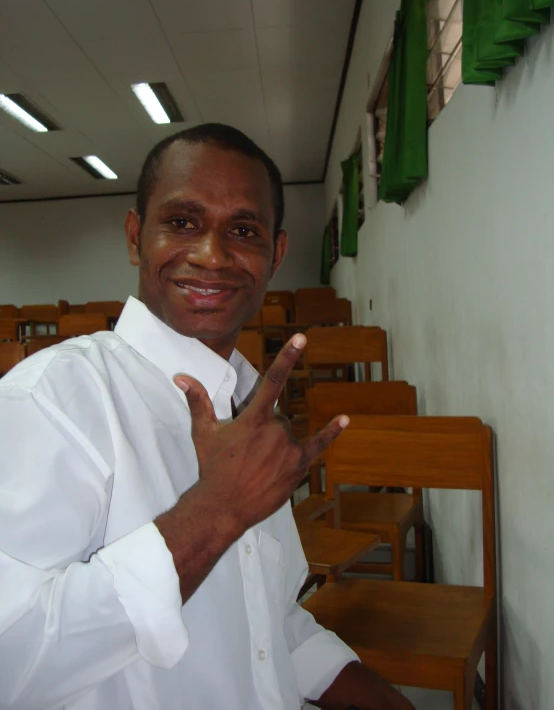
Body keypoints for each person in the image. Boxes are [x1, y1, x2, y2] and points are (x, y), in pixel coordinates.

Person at [0, 124, 414, 710]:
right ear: (136, 236)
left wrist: (380, 698)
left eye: (242, 231)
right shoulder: (53, 399)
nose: (212, 254)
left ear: (274, 254)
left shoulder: (249, 404)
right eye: (182, 223)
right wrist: (216, 512)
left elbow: (267, 616)